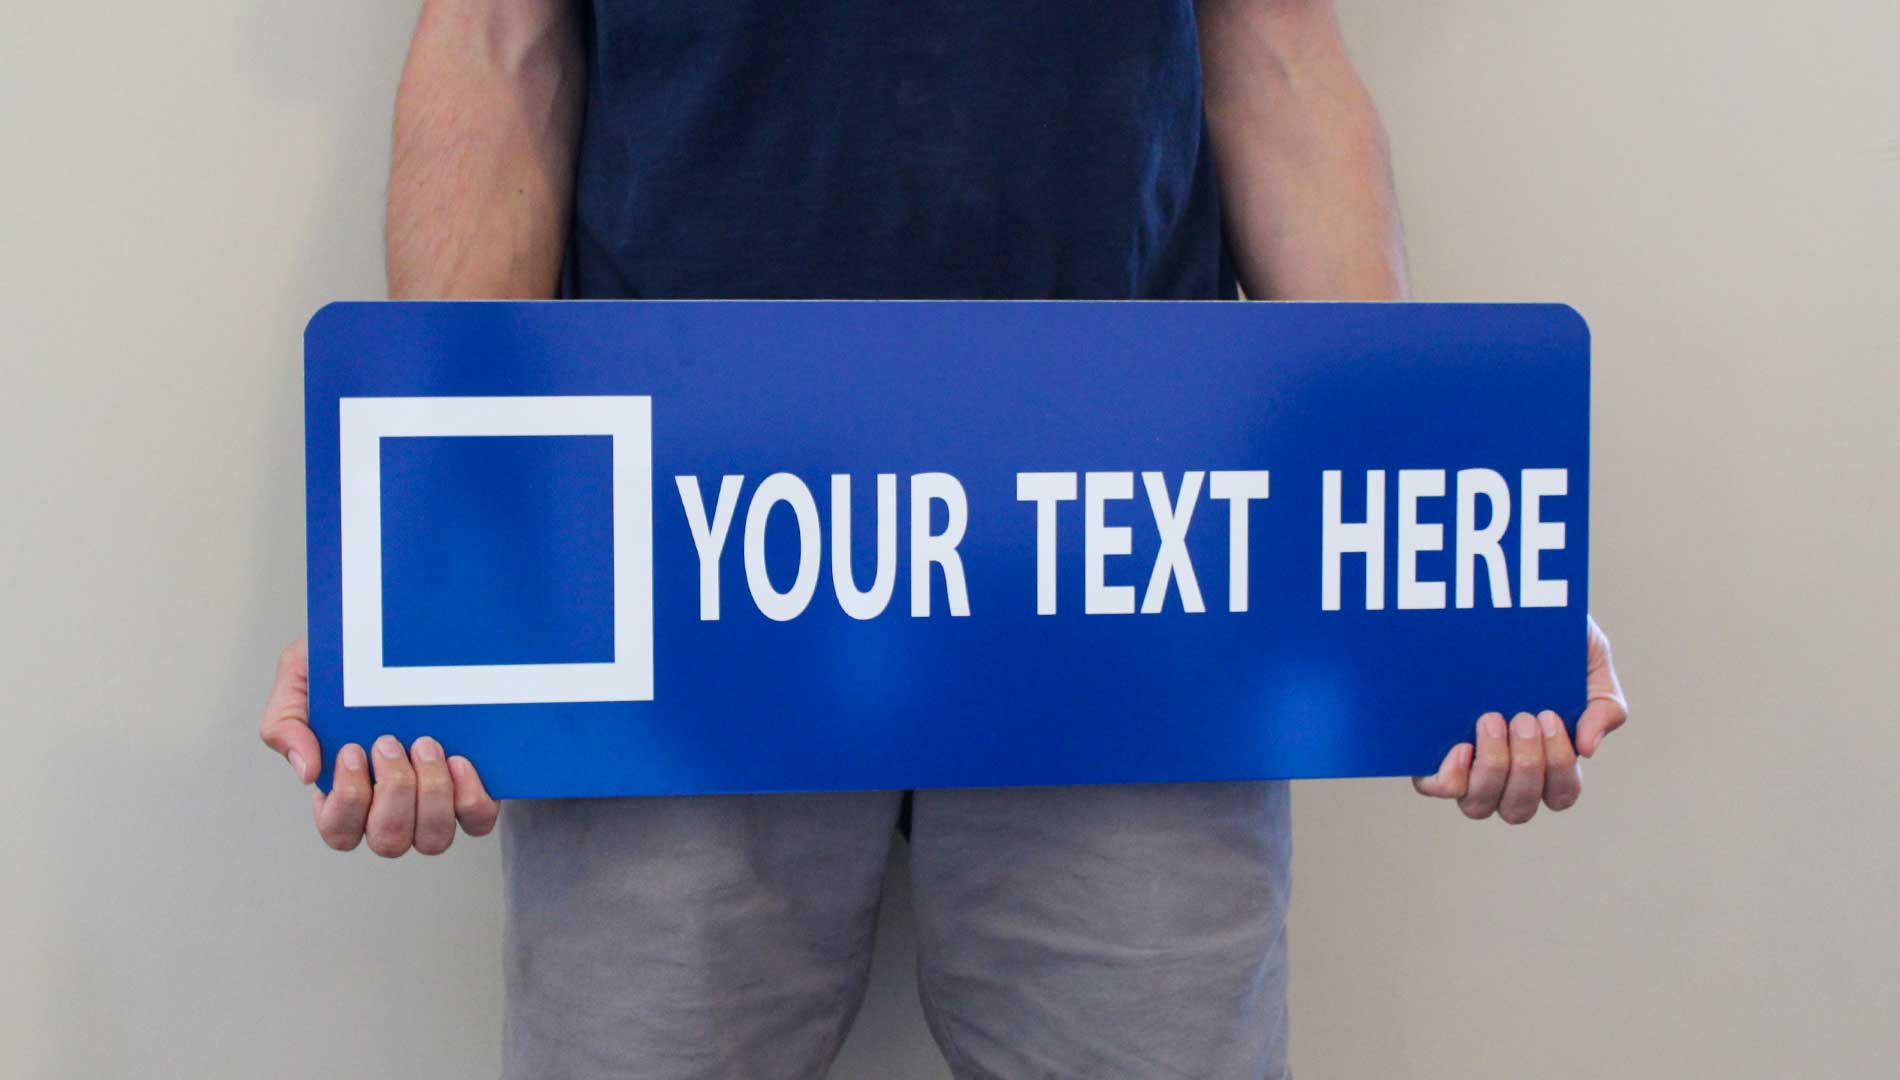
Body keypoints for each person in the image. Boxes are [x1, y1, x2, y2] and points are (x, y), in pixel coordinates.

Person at [260, 1, 1632, 1075]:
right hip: (676, 569)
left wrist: (1436, 558)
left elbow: (1272, 56)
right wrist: (429, 560)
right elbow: (500, 46)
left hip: (1128, 569)